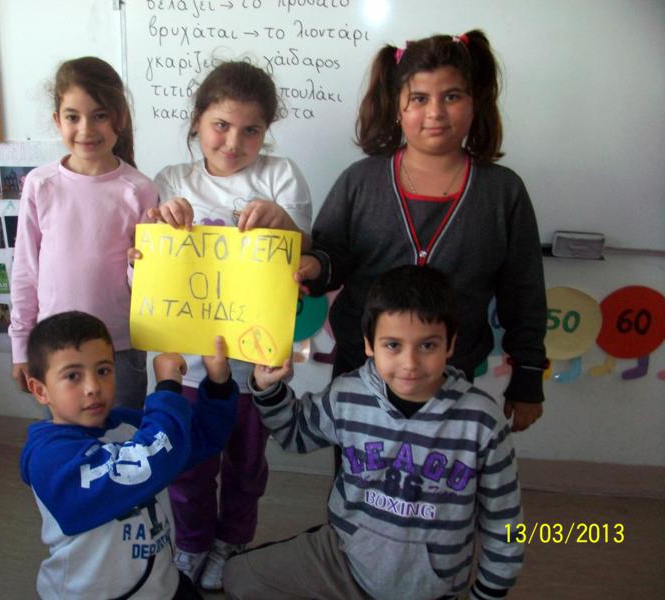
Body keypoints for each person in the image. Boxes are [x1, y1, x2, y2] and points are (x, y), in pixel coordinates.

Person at [298, 30, 548, 433]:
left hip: (453, 377)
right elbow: (331, 257)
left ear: (474, 103)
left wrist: (528, 376)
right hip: (361, 373)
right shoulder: (360, 181)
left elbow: (524, 292)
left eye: (452, 96)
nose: (435, 112)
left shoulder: (503, 191)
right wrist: (314, 266)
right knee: (359, 467)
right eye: (419, 99)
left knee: (445, 469)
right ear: (397, 107)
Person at [224, 265, 524, 600]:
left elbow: (505, 520)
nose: (409, 363)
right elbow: (295, 434)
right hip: (344, 560)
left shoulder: (482, 421)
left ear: (450, 344)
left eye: (427, 345)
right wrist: (269, 389)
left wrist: (488, 593)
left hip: (427, 588)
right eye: (393, 345)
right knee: (237, 577)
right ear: (369, 344)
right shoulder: (347, 394)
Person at [148, 60, 312, 590]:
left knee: (246, 466)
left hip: (254, 366)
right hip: (190, 368)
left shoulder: (280, 176)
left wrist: (285, 225)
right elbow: (148, 266)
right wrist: (159, 225)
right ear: (197, 120)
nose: (234, 142)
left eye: (251, 130)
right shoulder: (172, 180)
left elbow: (304, 260)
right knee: (189, 465)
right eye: (221, 125)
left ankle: (232, 541)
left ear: (267, 131)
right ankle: (193, 541)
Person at [20, 311, 238, 600]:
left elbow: (196, 440)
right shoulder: (48, 457)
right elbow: (146, 462)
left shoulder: (126, 424)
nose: (93, 388)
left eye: (103, 371)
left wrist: (219, 385)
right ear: (40, 390)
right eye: (73, 376)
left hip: (161, 583)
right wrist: (167, 389)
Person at [9, 56, 158, 408]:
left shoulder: (140, 189)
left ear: (120, 118)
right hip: (53, 346)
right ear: (57, 121)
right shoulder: (40, 184)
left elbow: (147, 282)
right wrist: (20, 345)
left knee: (122, 436)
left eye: (100, 115)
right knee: (64, 438)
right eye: (73, 117)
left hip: (119, 348)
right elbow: (26, 269)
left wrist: (138, 265)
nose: (86, 129)